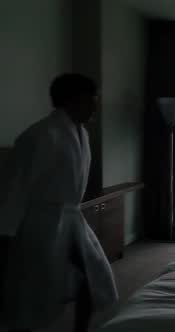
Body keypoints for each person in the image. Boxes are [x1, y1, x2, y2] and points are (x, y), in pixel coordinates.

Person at [0, 74, 118, 332]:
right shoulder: (41, 135)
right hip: (41, 223)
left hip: (71, 218)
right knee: (33, 291)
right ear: (74, 100)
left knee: (93, 277)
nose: (96, 106)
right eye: (93, 99)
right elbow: (17, 186)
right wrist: (6, 232)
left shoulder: (81, 133)